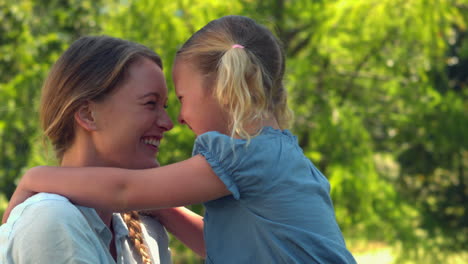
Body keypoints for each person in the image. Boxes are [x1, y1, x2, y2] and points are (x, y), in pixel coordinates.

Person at [4, 15, 357, 263]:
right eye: (150, 104)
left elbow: (125, 189)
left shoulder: (242, 155)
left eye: (180, 100)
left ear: (224, 91)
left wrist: (35, 178)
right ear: (87, 114)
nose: (175, 121)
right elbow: (223, 245)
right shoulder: (275, 153)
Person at [0, 36, 174, 264]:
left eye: (165, 106)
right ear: (88, 115)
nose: (168, 123)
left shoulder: (145, 229)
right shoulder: (53, 218)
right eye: (150, 103)